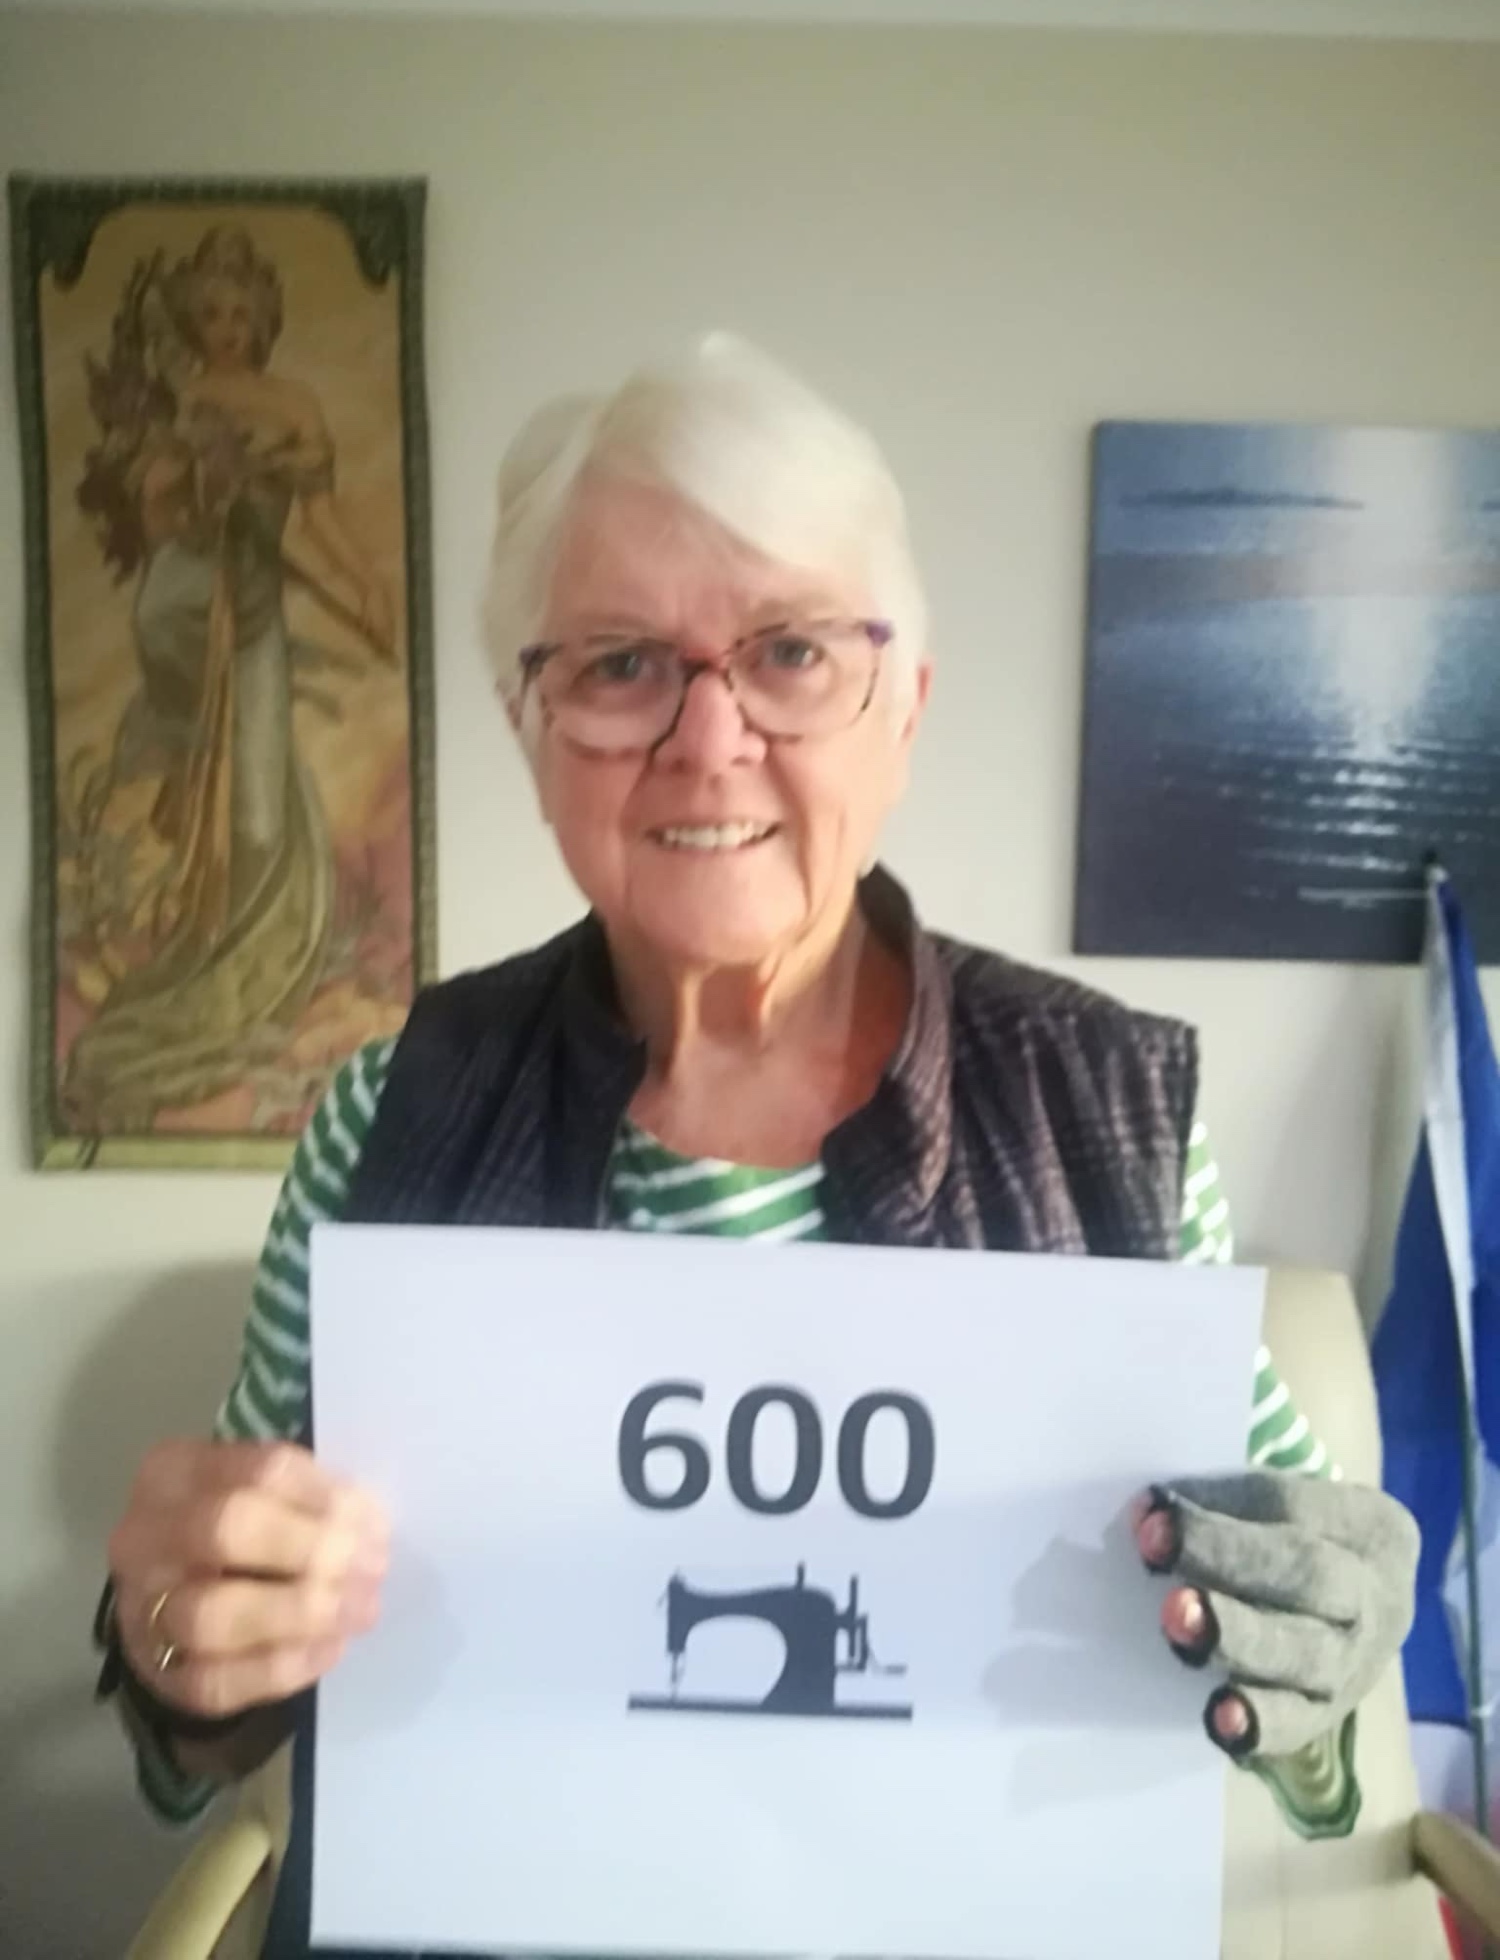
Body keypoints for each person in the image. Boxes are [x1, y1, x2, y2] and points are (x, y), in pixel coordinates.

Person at [96, 332, 1418, 1952]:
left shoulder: (1111, 1116)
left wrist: (1315, 1670)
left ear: (903, 709)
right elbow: (206, 1731)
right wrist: (184, 1659)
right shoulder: (389, 1116)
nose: (708, 738)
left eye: (790, 650)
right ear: (530, 726)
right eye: (619, 664)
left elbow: (1301, 1738)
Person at [66, 225, 396, 1133]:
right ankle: (197, 952)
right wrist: (187, 480)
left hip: (250, 616)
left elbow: (316, 519)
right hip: (182, 609)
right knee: (198, 791)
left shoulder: (292, 406)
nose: (225, 329)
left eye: (240, 313)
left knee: (256, 809)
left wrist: (363, 583)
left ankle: (247, 982)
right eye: (209, 312)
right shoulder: (173, 400)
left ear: (264, 320)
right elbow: (153, 518)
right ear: (190, 321)